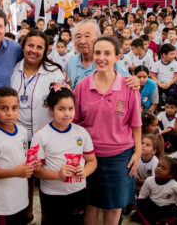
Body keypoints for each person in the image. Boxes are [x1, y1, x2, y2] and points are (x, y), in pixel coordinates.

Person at [72, 36, 142, 225]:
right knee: (90, 204)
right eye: (97, 53)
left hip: (119, 157)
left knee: (113, 206)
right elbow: (75, 121)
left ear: (117, 57)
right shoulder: (82, 86)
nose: (101, 58)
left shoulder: (129, 87)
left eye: (107, 53)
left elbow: (136, 123)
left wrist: (138, 151)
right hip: (88, 155)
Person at [32, 83, 97, 225]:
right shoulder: (41, 135)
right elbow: (36, 171)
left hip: (78, 192)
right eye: (61, 109)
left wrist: (85, 171)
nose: (67, 114)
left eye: (71, 109)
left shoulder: (81, 132)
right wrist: (58, 175)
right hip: (52, 195)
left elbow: (92, 160)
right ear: (51, 110)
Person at [0, 87, 36, 224]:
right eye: (4, 108)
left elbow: (23, 159)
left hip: (21, 199)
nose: (10, 113)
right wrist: (15, 172)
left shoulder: (23, 131)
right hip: (4, 204)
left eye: (14, 108)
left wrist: (33, 164)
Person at [10, 30, 65, 141]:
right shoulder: (13, 69)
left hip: (46, 137)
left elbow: (63, 105)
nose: (34, 50)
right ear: (23, 46)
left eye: (39, 47)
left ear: (45, 51)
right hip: (15, 136)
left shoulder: (54, 73)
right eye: (30, 45)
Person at [65, 20, 137, 89]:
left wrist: (135, 82)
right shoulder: (71, 62)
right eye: (78, 37)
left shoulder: (109, 61)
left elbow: (130, 82)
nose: (82, 41)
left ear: (98, 38)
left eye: (87, 36)